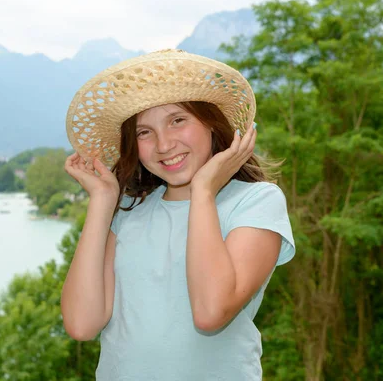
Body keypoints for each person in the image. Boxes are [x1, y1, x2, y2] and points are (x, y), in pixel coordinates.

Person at [60, 49, 296, 380]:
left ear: (212, 125)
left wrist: (203, 192)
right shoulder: (130, 214)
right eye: (145, 132)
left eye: (177, 120)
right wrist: (102, 199)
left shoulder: (255, 203)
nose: (163, 144)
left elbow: (211, 311)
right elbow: (82, 323)